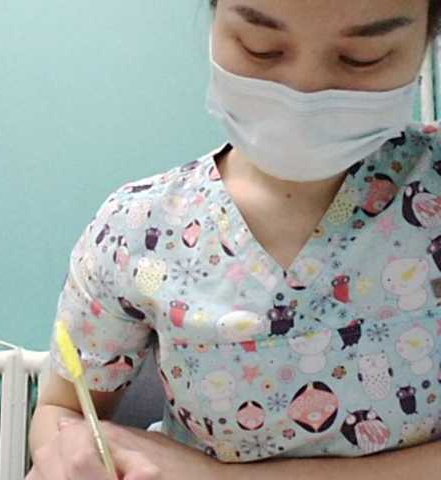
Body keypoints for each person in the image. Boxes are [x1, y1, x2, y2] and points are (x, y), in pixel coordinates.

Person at [26, 1, 441, 478]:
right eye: (260, 47)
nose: (303, 92)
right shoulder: (139, 229)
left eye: (363, 57)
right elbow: (63, 410)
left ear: (424, 45)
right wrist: (73, 452)